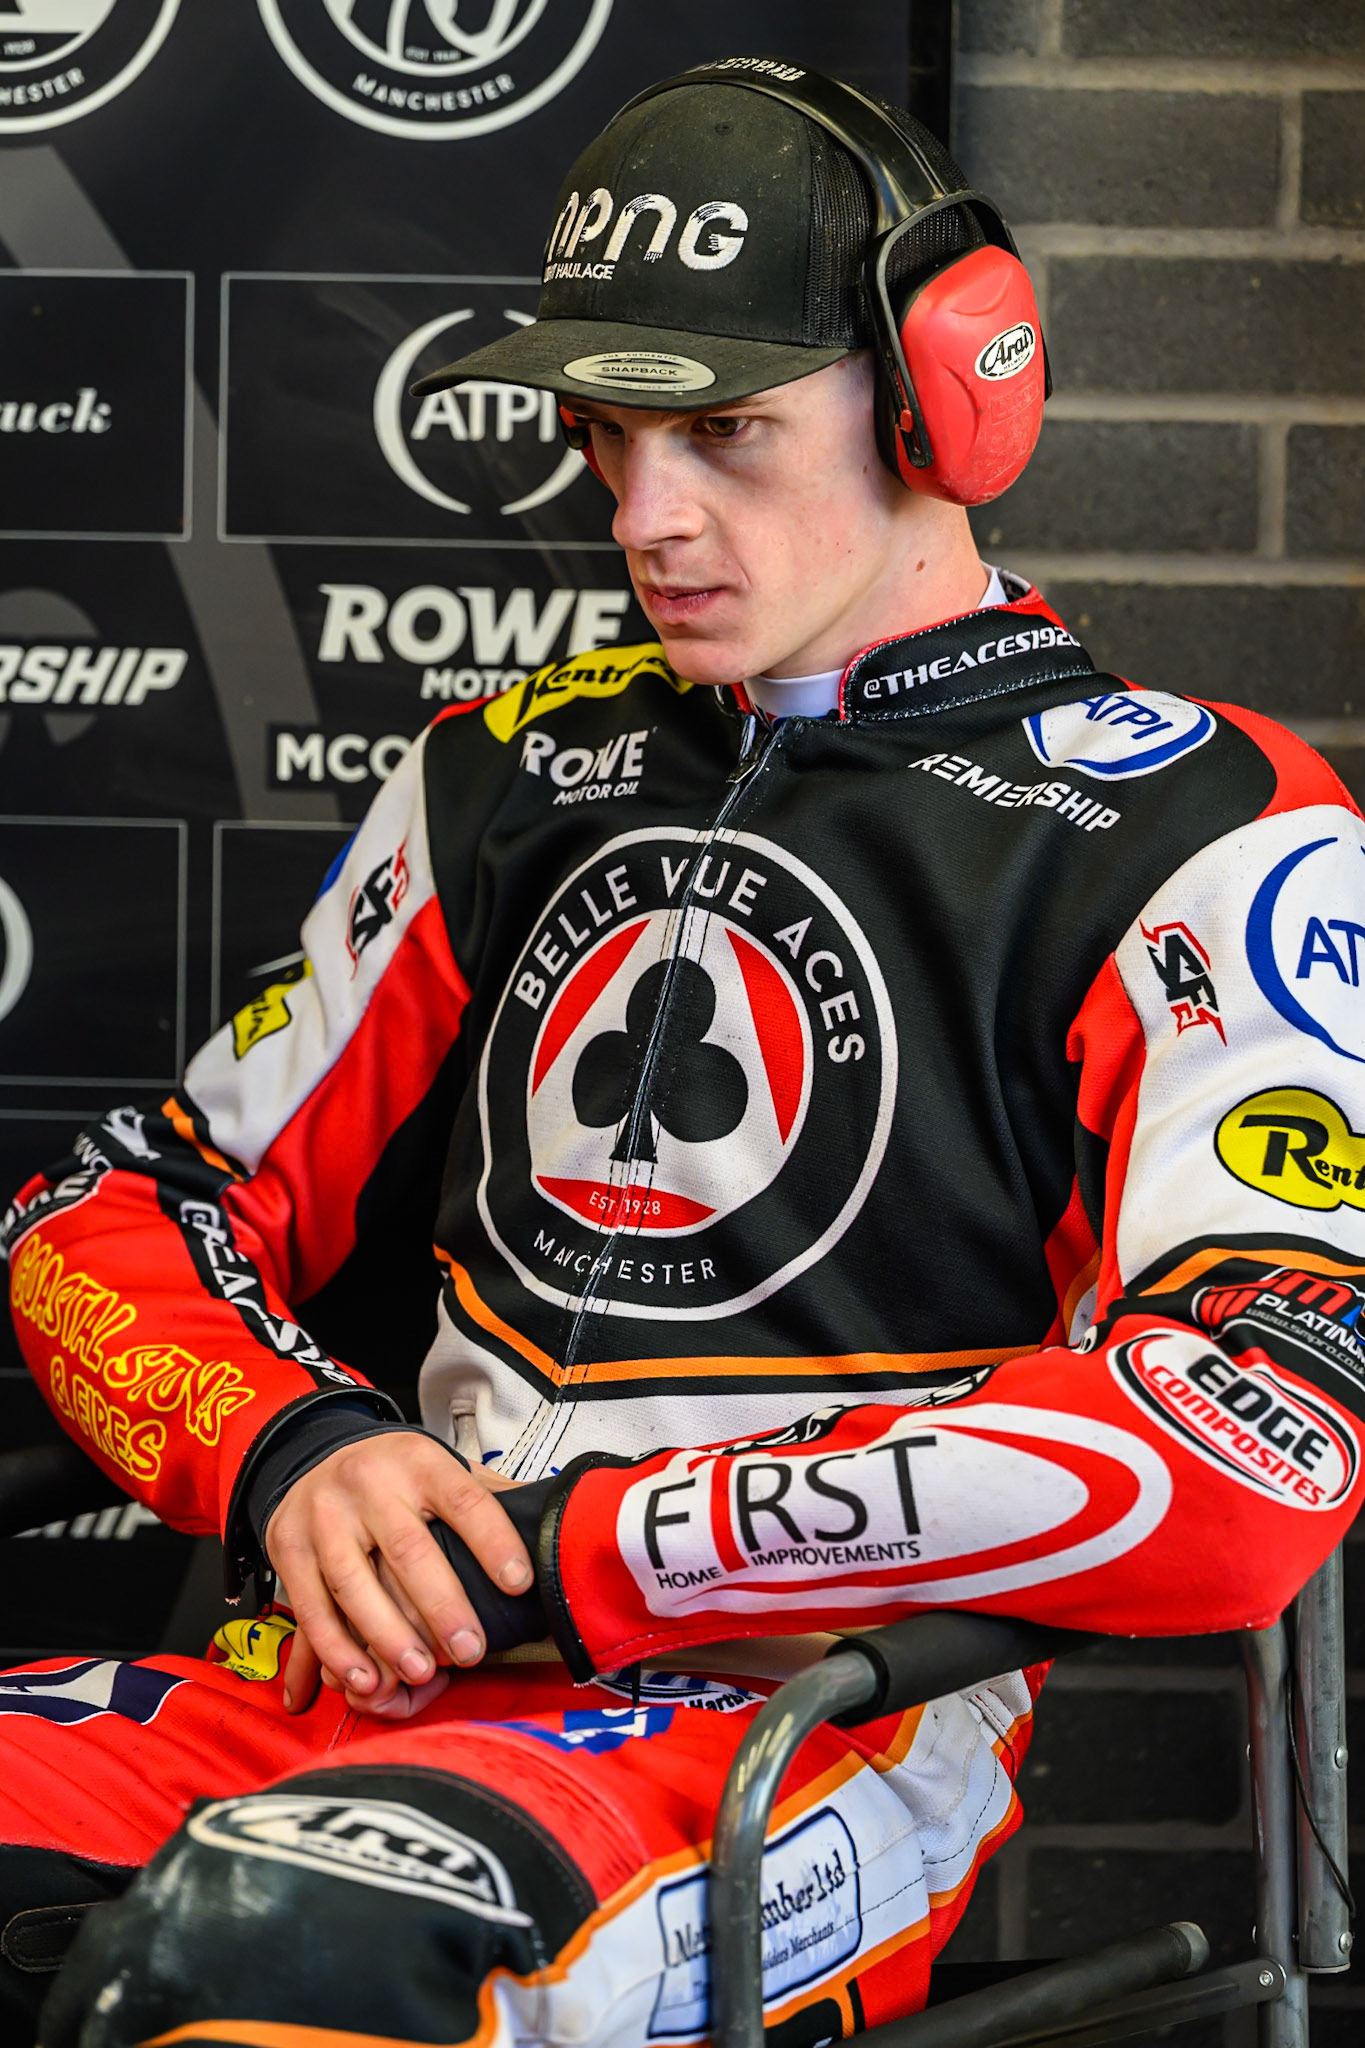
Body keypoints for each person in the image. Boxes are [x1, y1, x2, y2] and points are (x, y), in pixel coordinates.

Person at [2, 55, 1363, 2048]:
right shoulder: (498, 773)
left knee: (282, 1953)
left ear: (945, 398)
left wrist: (579, 1557)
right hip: (340, 1676)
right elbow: (113, 1207)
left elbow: (1252, 1443)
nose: (649, 517)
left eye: (724, 431)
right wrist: (293, 1445)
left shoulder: (1205, 830)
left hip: (791, 1734)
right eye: (607, 436)